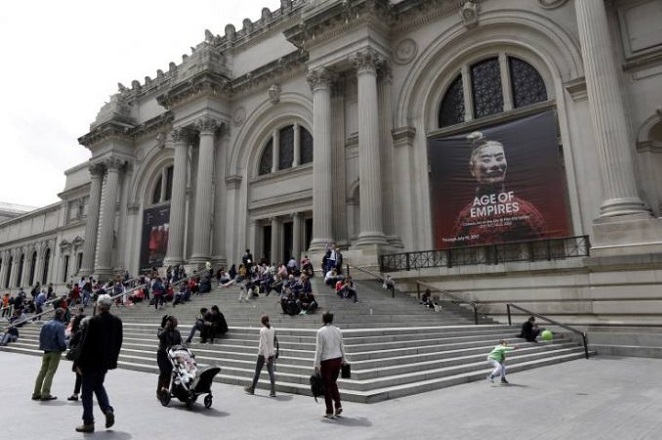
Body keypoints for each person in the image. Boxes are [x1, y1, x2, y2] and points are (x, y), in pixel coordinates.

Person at [450, 131, 546, 247]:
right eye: (486, 160)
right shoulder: (465, 217)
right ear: (472, 169)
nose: (495, 164)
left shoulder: (525, 212)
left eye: (500, 158)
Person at [74, 294, 123, 433]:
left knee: (87, 392)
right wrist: (111, 360)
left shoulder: (94, 321)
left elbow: (86, 344)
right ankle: (107, 409)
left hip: (90, 362)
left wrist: (79, 363)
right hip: (104, 362)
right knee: (99, 385)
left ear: (99, 306)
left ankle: (88, 422)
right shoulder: (117, 321)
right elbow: (118, 343)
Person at [313, 312, 348, 419]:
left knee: (327, 387)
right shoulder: (338, 330)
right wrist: (344, 359)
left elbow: (319, 349)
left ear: (323, 319)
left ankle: (329, 411)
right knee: (332, 383)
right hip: (337, 360)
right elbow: (342, 345)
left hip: (326, 361)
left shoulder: (321, 332)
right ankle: (338, 405)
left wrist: (316, 364)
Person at [32, 308, 67, 401]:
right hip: (55, 351)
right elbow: (61, 341)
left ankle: (36, 393)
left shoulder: (46, 324)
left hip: (46, 350)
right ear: (62, 315)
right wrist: (64, 347)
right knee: (50, 372)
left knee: (42, 371)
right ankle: (45, 394)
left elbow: (41, 337)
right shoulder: (60, 326)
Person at [244, 315, 277, 397]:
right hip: (271, 353)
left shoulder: (262, 330)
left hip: (263, 354)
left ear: (262, 322)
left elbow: (264, 344)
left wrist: (265, 357)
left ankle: (252, 389)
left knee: (257, 371)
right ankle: (273, 391)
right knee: (271, 372)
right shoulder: (272, 329)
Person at [156, 315, 182, 399]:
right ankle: (159, 392)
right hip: (162, 354)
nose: (176, 323)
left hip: (171, 355)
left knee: (169, 373)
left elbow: (180, 343)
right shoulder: (161, 329)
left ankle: (165, 391)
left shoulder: (176, 332)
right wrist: (166, 328)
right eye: (174, 321)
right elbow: (160, 336)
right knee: (164, 372)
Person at [67, 306, 87, 401]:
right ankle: (85, 394)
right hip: (89, 359)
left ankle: (75, 394)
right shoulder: (93, 334)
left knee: (79, 377)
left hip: (80, 358)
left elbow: (71, 343)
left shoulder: (79, 332)